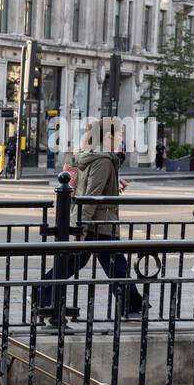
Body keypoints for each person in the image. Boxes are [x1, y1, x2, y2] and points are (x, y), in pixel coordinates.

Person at [37, 119, 144, 321]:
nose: (122, 139)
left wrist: (113, 183)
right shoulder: (103, 160)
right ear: (108, 137)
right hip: (98, 223)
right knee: (116, 267)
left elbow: (89, 185)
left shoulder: (94, 155)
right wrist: (82, 228)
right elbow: (92, 195)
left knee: (75, 263)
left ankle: (41, 295)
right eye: (119, 135)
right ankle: (132, 307)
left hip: (92, 221)